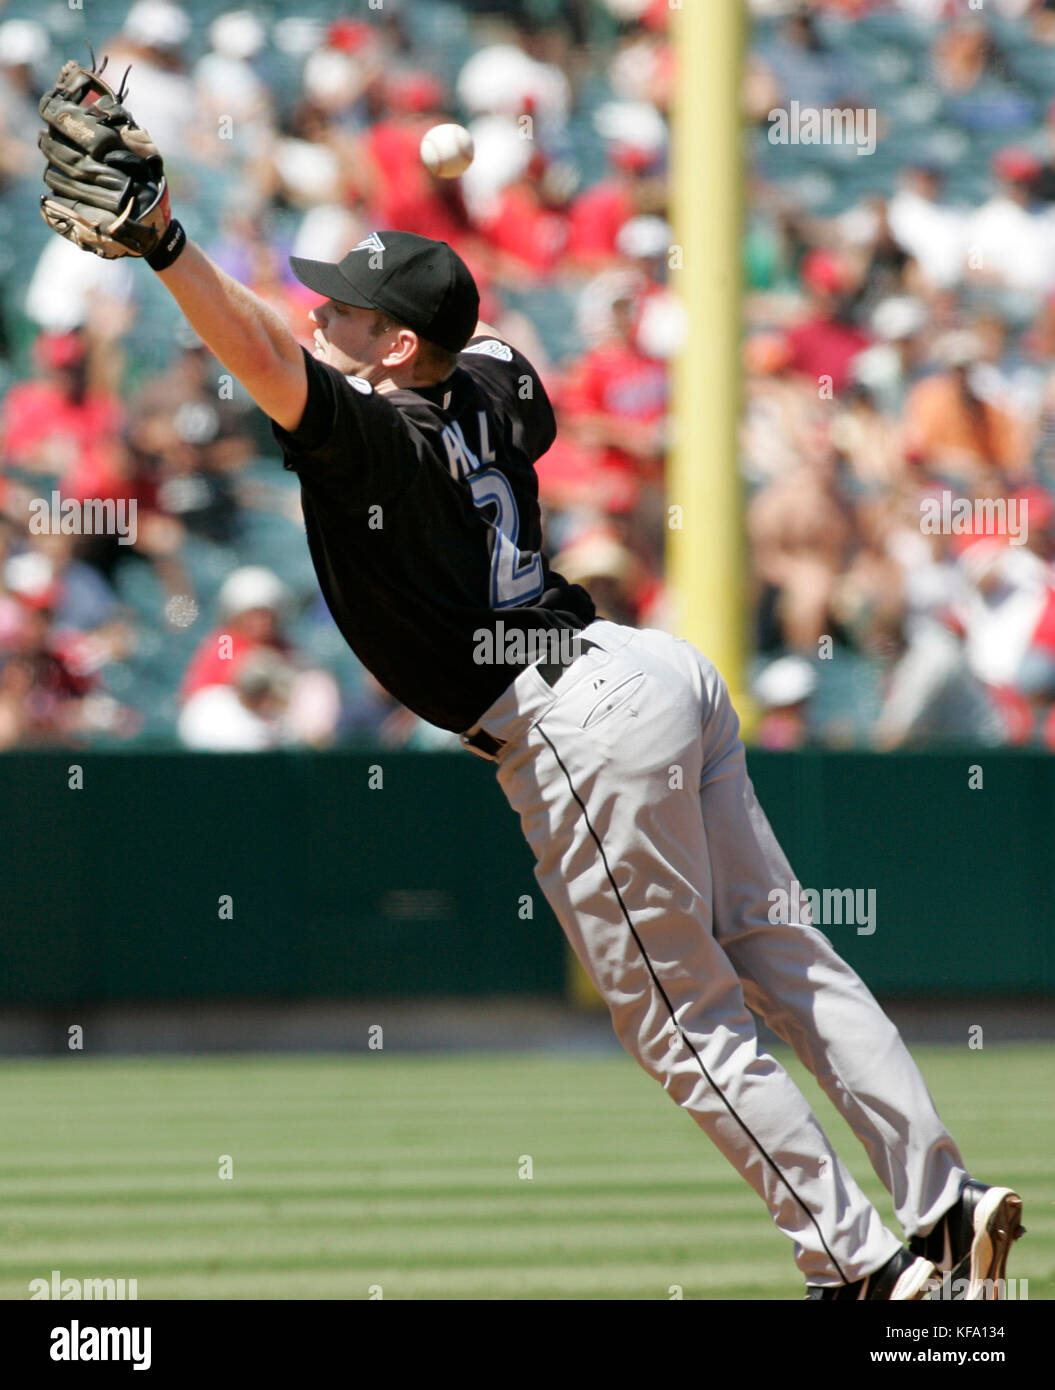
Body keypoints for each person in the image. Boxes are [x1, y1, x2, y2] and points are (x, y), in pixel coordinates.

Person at [34, 69, 1023, 1298]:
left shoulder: (377, 436)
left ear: (395, 348)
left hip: (568, 713)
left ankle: (865, 1266)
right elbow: (480, 342)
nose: (316, 319)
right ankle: (943, 1205)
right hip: (648, 667)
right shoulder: (498, 384)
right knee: (788, 956)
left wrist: (168, 245)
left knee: (680, 1018)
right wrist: (436, 232)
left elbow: (259, 353)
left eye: (341, 312)